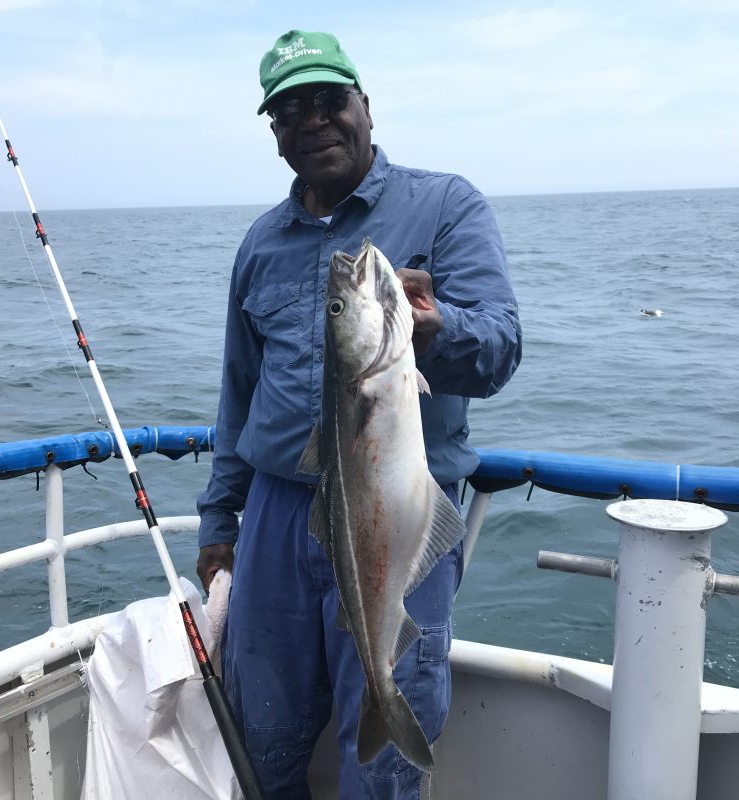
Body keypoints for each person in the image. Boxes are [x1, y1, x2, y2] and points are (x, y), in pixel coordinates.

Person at [196, 29, 522, 800]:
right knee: (262, 735)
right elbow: (238, 393)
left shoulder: (445, 206)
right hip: (278, 519)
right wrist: (220, 524)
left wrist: (440, 328)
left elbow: (502, 347)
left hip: (399, 506)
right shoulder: (260, 244)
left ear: (364, 106)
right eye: (288, 111)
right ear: (275, 135)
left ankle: (386, 712)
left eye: (327, 100)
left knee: (380, 767)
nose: (311, 121)